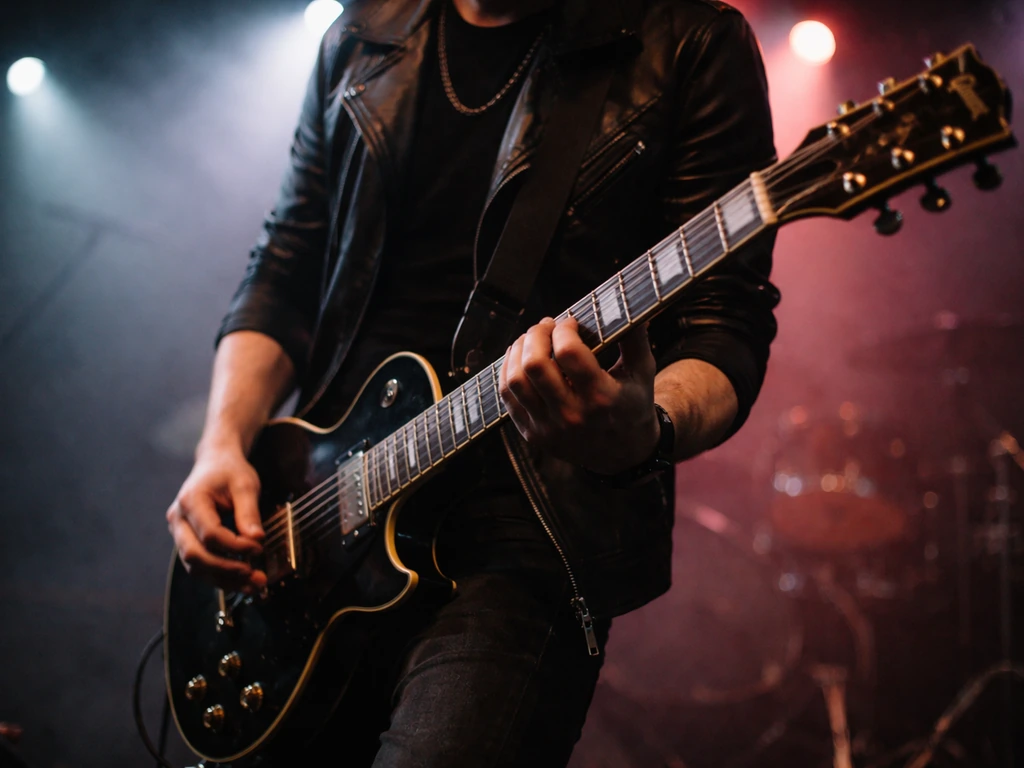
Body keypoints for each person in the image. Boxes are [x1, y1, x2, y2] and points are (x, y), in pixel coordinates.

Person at [165, 0, 779, 764]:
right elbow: (283, 270)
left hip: (522, 534)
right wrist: (220, 445)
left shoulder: (685, 40)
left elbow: (725, 325)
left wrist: (640, 431)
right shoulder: (364, 34)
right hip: (312, 518)